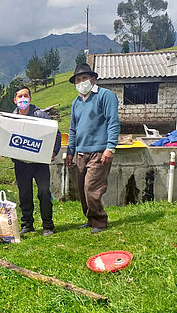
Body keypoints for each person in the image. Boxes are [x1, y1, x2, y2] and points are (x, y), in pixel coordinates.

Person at [66, 63, 120, 234]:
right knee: (83, 189)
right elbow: (73, 129)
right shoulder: (76, 103)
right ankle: (90, 219)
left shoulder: (105, 96)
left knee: (92, 188)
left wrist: (110, 147)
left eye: (84, 78)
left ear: (93, 79)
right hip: (81, 152)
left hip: (99, 151)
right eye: (78, 80)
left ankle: (99, 221)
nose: (81, 82)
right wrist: (70, 151)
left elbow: (113, 122)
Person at [12, 86, 62, 236]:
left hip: (40, 163)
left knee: (44, 191)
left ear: (30, 98)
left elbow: (56, 133)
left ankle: (47, 225)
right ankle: (27, 224)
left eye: (25, 96)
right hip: (21, 164)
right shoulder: (10, 118)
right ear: (15, 100)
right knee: (24, 194)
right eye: (20, 96)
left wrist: (53, 151)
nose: (23, 99)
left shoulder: (40, 115)